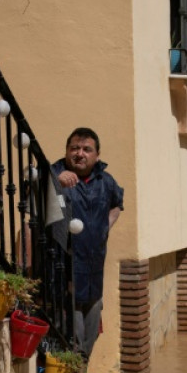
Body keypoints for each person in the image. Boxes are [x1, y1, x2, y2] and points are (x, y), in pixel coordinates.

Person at [52, 127, 123, 358]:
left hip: (94, 275)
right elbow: (30, 190)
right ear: (66, 151)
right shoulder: (54, 174)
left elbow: (116, 205)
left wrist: (104, 229)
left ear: (97, 155)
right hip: (65, 276)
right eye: (74, 148)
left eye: (86, 149)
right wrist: (55, 181)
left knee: (90, 338)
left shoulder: (105, 180)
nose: (80, 153)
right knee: (73, 339)